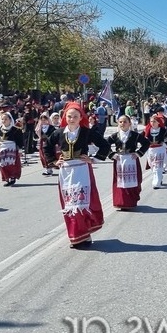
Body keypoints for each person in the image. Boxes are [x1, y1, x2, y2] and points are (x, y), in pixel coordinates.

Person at [44, 102, 110, 248]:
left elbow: (105, 145)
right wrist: (54, 161)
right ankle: (76, 236)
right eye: (69, 116)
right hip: (66, 171)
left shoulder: (87, 132)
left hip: (82, 170)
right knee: (70, 204)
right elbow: (46, 146)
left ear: (81, 117)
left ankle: (85, 234)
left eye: (75, 116)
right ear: (65, 117)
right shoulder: (59, 133)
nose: (72, 119)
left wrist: (93, 159)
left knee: (81, 202)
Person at [107, 114, 149, 211]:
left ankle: (131, 201)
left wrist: (138, 153)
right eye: (120, 122)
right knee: (120, 181)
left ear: (129, 123)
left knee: (133, 180)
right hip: (119, 160)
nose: (122, 124)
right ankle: (121, 201)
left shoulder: (135, 135)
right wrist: (112, 154)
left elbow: (146, 143)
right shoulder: (115, 136)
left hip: (131, 160)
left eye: (125, 122)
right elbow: (105, 144)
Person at [0, 112, 23, 186]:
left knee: (12, 164)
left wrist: (20, 150)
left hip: (11, 149)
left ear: (10, 120)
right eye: (2, 119)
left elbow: (19, 141)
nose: (4, 120)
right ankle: (6, 178)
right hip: (1, 148)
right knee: (3, 164)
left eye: (6, 119)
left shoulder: (15, 130)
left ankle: (12, 177)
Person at [143, 114, 167, 189]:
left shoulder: (163, 130)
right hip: (151, 150)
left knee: (158, 166)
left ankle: (156, 183)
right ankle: (159, 177)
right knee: (152, 166)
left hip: (160, 149)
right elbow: (140, 138)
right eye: (151, 121)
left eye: (154, 121)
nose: (152, 123)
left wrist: (166, 144)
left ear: (158, 122)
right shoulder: (147, 130)